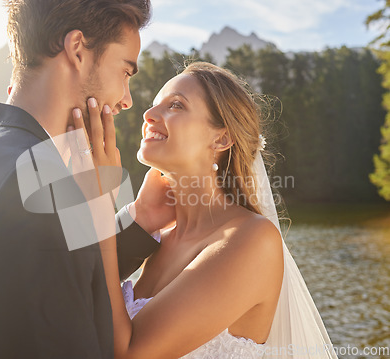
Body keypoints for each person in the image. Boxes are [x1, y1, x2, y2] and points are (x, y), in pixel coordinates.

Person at [0, 1, 168, 358]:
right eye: (126, 72)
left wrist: (138, 219)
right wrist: (95, 206)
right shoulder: (39, 191)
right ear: (78, 49)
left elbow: (55, 279)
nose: (126, 100)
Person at [74, 62, 339, 358]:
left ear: (221, 138)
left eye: (175, 105)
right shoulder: (156, 236)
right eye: (152, 105)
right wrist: (138, 218)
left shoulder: (251, 240)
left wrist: (97, 207)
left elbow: (128, 353)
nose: (148, 115)